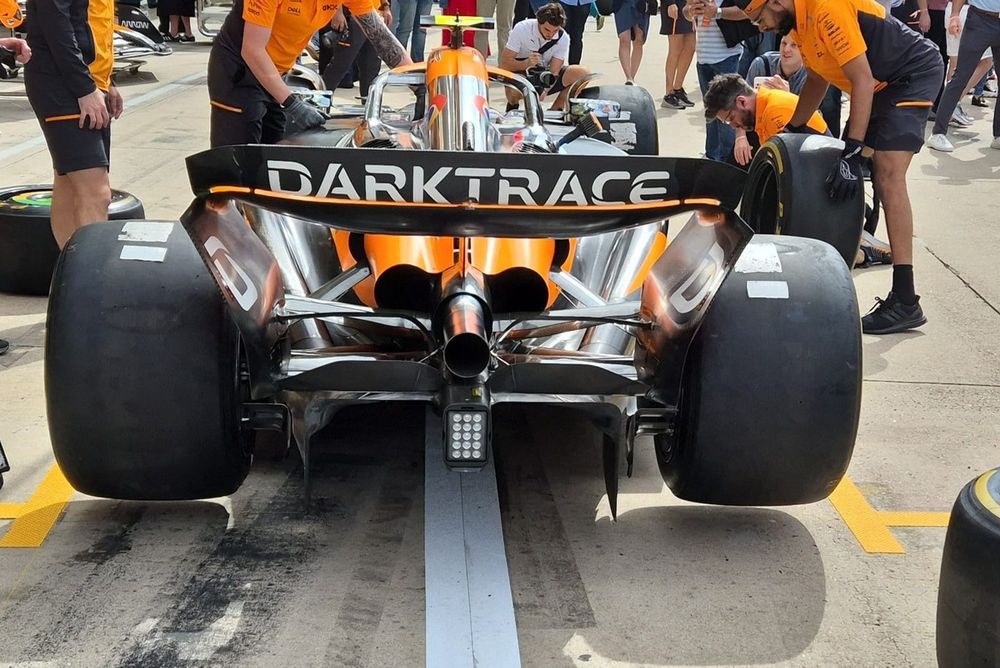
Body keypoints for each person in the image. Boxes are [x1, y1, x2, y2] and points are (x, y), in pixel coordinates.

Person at [742, 0, 943, 335]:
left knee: (888, 174)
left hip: (911, 73)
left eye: (759, 18)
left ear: (775, 2)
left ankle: (906, 299)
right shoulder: (800, 25)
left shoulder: (826, 8)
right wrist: (792, 127)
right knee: (872, 171)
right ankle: (869, 243)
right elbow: (819, 79)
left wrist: (852, 151)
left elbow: (861, 80)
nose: (760, 27)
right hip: (882, 84)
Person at [207, 0, 412, 148]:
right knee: (237, 160)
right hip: (237, 72)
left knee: (273, 154)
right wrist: (292, 103)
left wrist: (417, 80)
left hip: (276, 74)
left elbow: (380, 37)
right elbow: (252, 50)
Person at [24, 0, 124, 249]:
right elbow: (55, 23)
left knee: (69, 185)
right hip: (62, 83)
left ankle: (69, 278)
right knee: (96, 194)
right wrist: (84, 88)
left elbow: (94, 19)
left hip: (86, 81)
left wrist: (106, 80)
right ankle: (91, 280)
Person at [927, 0, 998, 151]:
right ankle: (938, 133)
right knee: (961, 75)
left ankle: (998, 135)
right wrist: (954, 15)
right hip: (980, 19)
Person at [500, 2, 590, 111]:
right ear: (538, 22)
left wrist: (545, 89)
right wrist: (526, 64)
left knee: (583, 74)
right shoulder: (522, 28)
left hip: (545, 75)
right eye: (547, 30)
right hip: (521, 72)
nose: (551, 34)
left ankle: (556, 109)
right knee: (515, 91)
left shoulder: (563, 38)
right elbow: (504, 64)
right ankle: (513, 105)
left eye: (555, 30)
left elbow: (554, 71)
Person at [684, 0, 743, 162]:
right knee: (711, 110)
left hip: (727, 56)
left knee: (727, 110)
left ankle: (726, 159)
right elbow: (686, 10)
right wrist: (690, 12)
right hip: (703, 57)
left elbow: (744, 11)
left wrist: (717, 12)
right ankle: (711, 155)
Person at [659, 0, 696, 109]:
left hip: (689, 5)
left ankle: (677, 88)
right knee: (676, 48)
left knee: (691, 46)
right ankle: (669, 93)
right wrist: (670, 2)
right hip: (674, 5)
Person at [613, 0, 649, 84]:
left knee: (639, 40)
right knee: (624, 39)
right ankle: (628, 77)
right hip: (622, 4)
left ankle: (632, 77)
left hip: (642, 3)